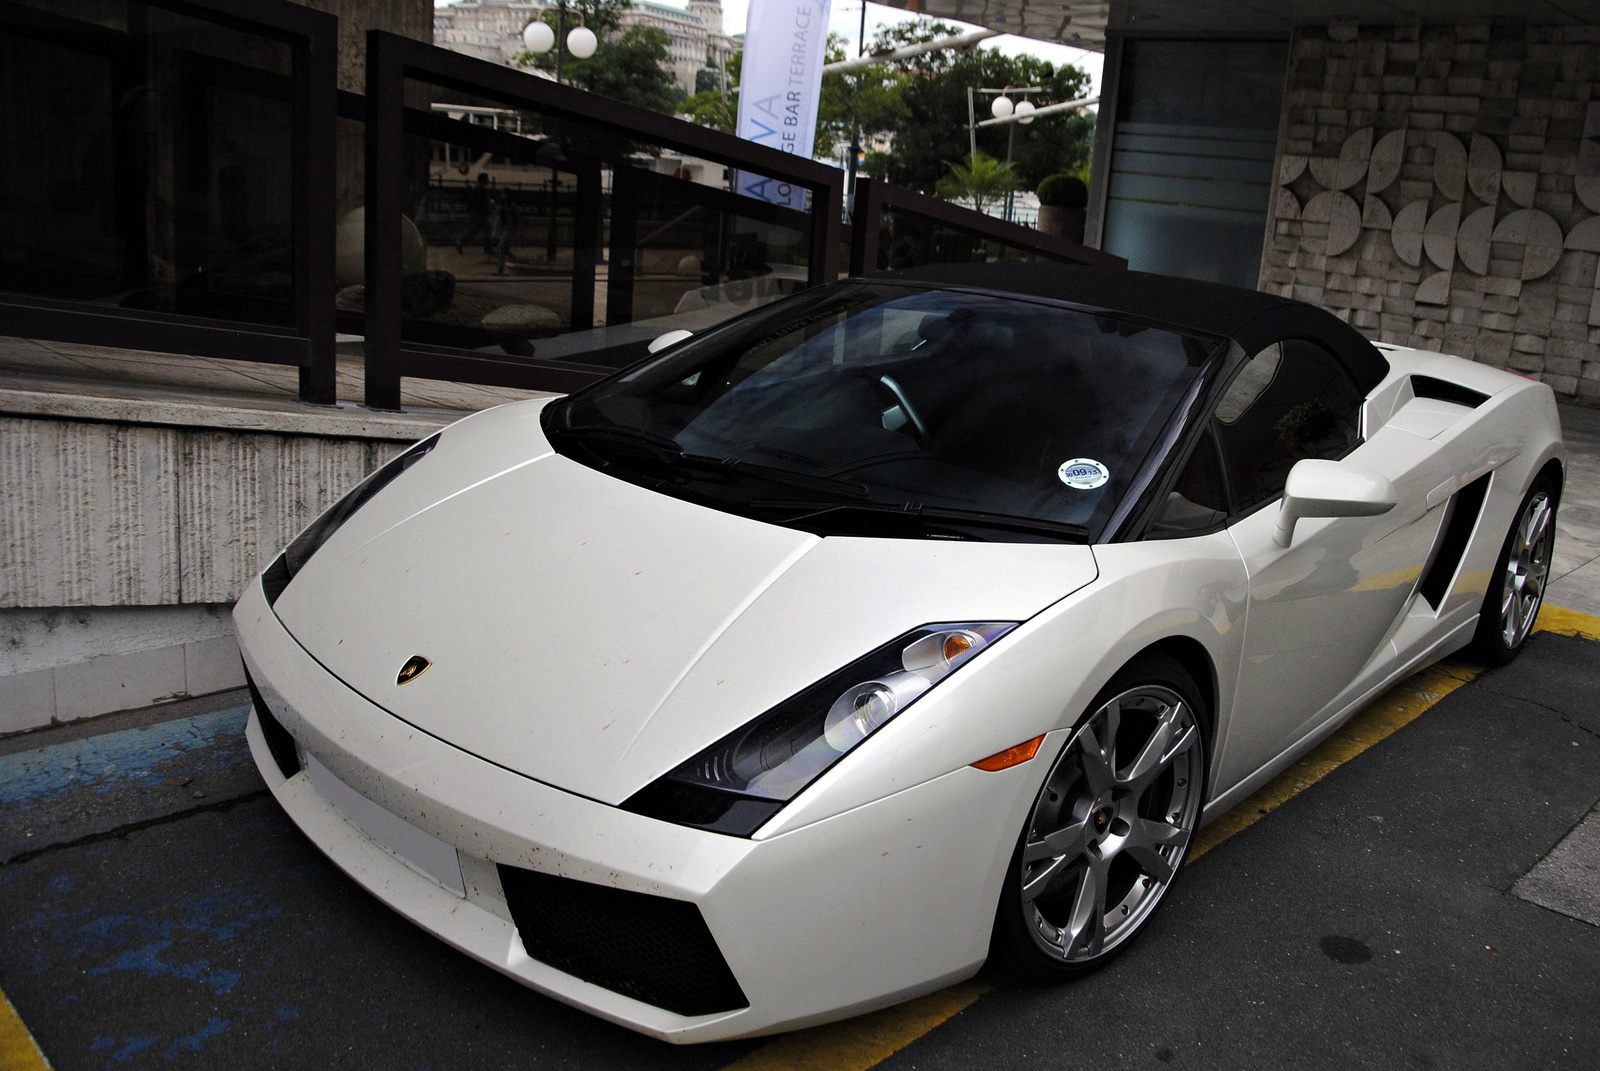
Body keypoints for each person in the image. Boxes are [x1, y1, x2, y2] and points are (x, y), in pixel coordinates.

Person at [456, 172, 494, 255]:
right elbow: (483, 202)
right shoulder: (482, 190)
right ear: (484, 180)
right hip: (482, 214)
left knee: (474, 230)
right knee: (486, 231)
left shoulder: (476, 189)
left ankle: (461, 242)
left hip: (476, 213)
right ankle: (488, 249)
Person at [494, 188, 520, 274]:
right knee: (505, 248)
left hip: (509, 229)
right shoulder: (504, 205)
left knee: (501, 246)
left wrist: (518, 229)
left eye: (502, 193)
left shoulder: (512, 206)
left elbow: (517, 219)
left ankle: (501, 267)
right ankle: (513, 258)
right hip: (505, 228)